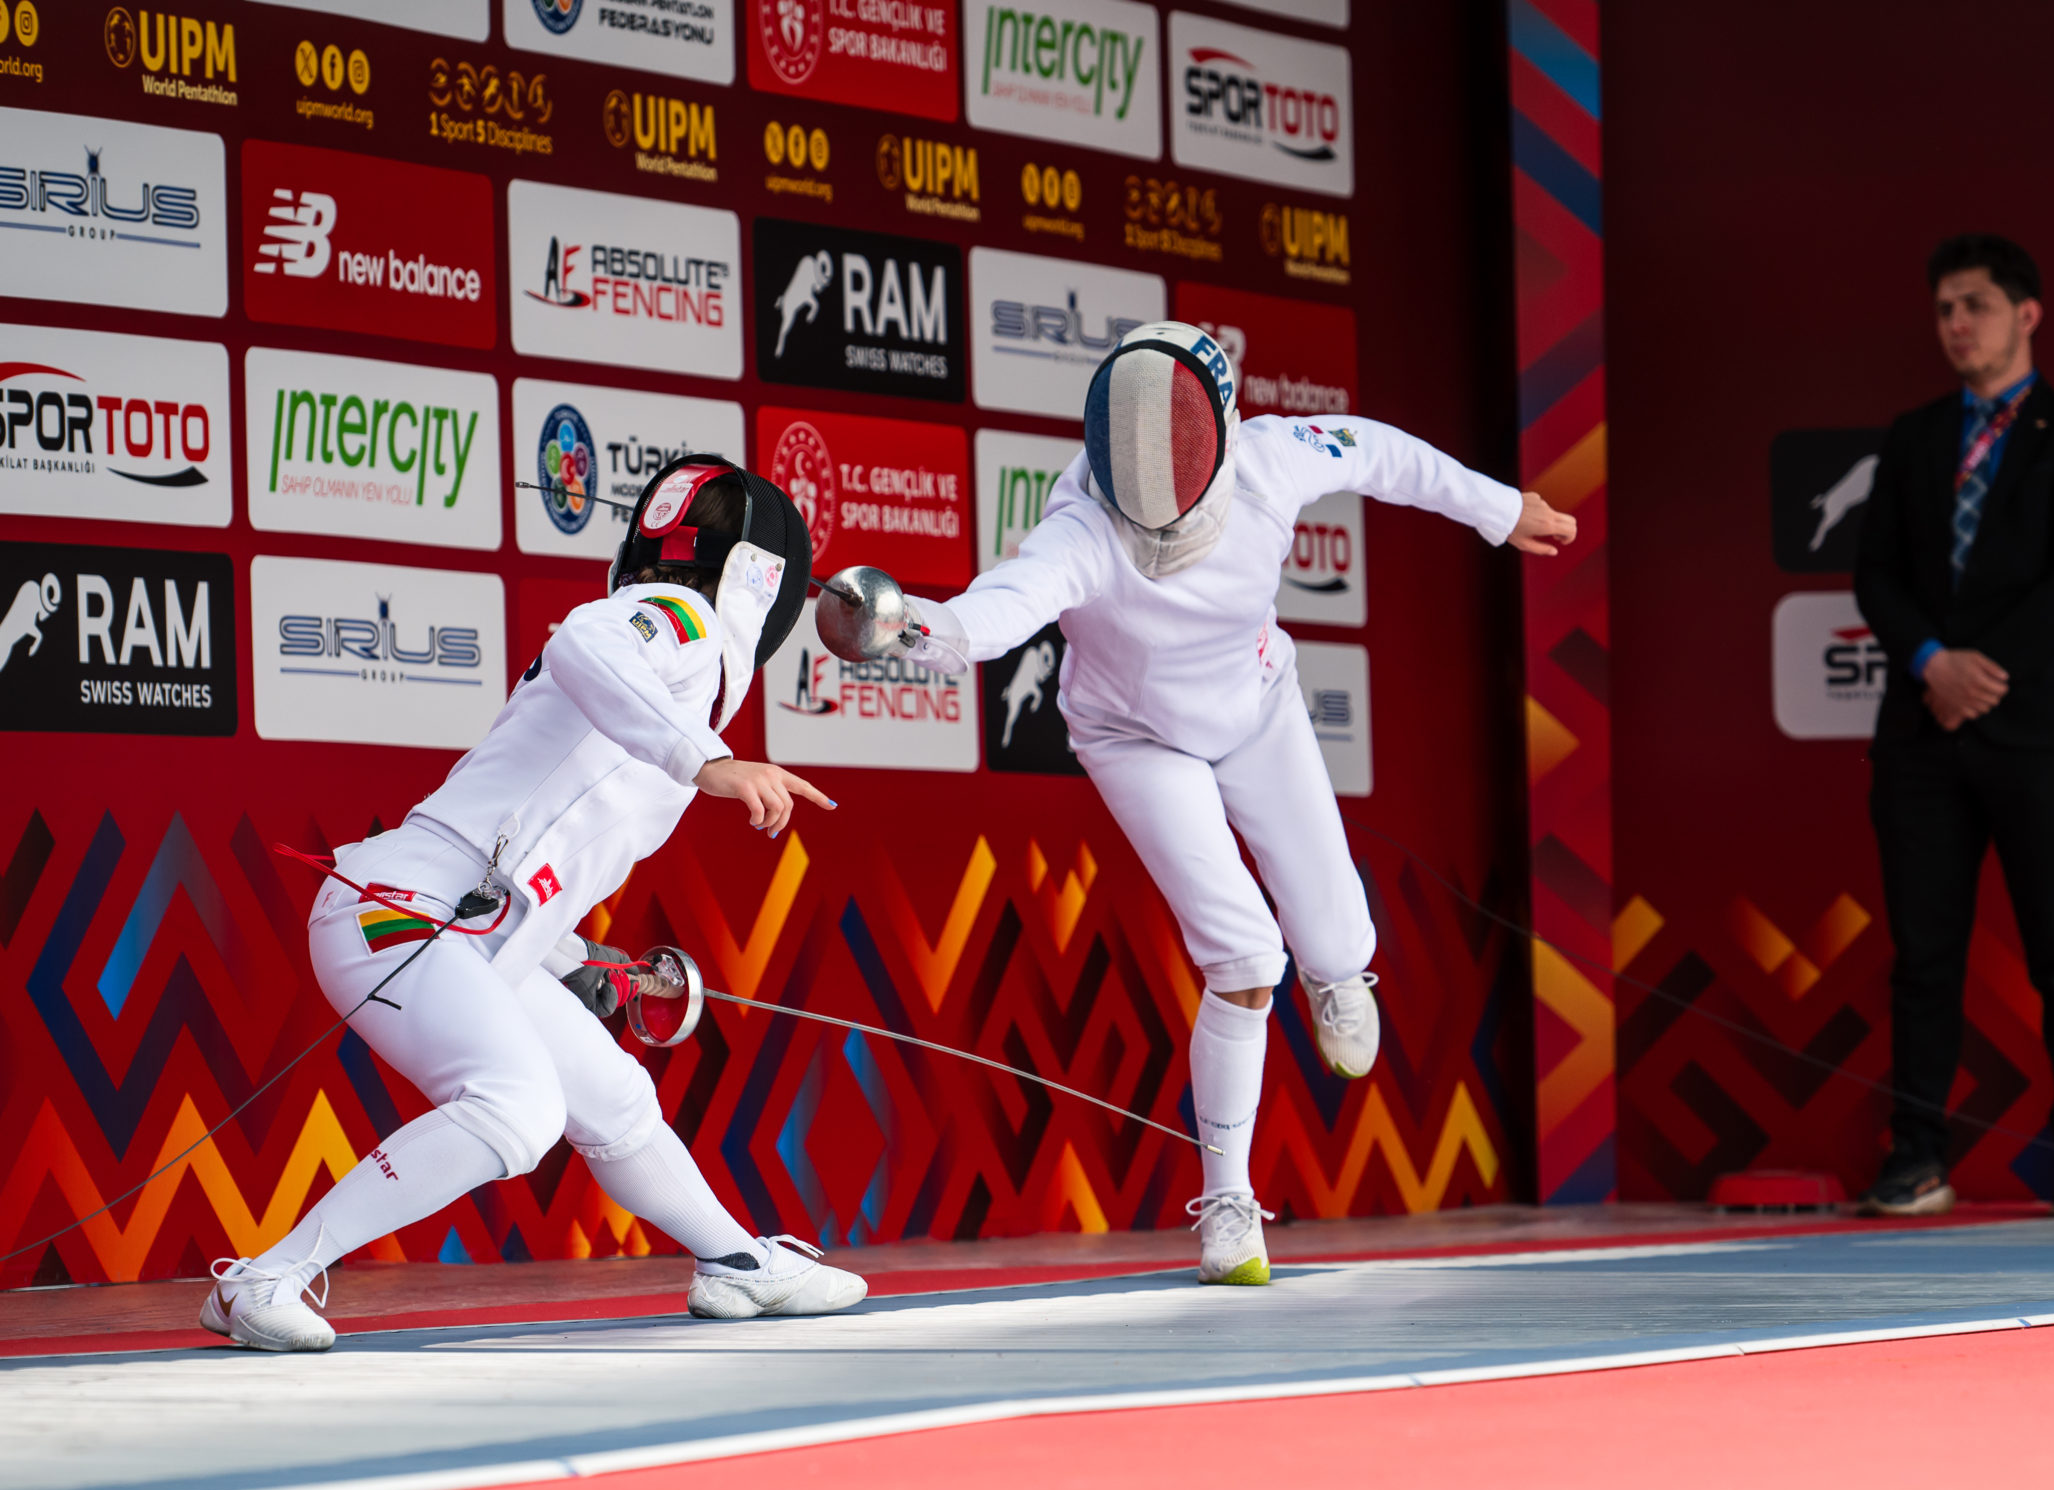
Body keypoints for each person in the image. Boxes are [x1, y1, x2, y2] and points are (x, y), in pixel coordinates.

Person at [900, 322, 1576, 1283]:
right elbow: (996, 611)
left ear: (1217, 436)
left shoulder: (1270, 458)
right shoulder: (1081, 528)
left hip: (1257, 707)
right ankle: (1228, 1204)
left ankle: (1337, 972)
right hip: (1137, 739)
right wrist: (909, 627)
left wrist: (1499, 509)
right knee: (1247, 958)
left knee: (1336, 942)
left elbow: (1384, 454)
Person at [202, 457, 869, 1350]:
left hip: (456, 926)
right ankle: (264, 1278)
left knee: (614, 1096)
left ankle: (738, 1262)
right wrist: (707, 761)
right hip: (401, 913)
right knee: (518, 1106)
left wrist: (573, 957)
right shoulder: (683, 620)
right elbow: (586, 644)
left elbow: (533, 839)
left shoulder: (672, 675)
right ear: (763, 580)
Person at [1850, 235, 2054, 1218]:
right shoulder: (1914, 435)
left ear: (2027, 314)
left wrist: (1980, 673)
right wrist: (1933, 662)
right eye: (1944, 309)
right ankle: (1916, 1157)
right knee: (1924, 957)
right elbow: (1874, 573)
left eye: (1975, 305)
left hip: (2042, 731)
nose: (1957, 324)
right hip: (1923, 735)